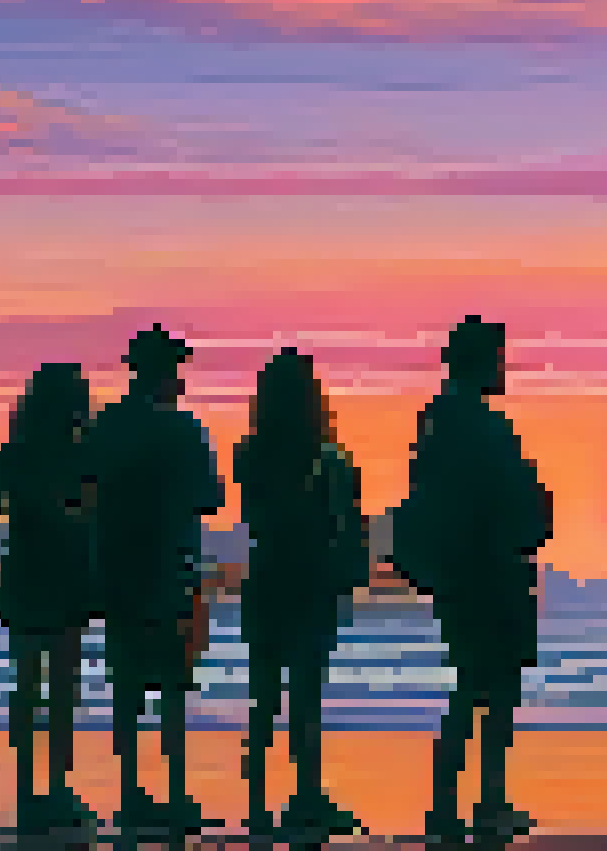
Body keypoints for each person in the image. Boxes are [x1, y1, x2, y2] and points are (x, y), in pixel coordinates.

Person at [390, 317, 553, 844]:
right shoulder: (477, 424)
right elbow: (508, 494)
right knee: (494, 688)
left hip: (463, 569)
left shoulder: (442, 421)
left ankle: (454, 805)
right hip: (488, 568)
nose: (504, 367)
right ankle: (484, 803)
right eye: (498, 357)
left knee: (472, 684)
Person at [88, 326, 225, 836]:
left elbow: (83, 489)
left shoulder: (107, 426)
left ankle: (129, 791)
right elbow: (211, 497)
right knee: (171, 687)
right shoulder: (183, 431)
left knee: (126, 687)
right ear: (168, 373)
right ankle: (173, 792)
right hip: (169, 567)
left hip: (118, 569)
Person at [235, 348, 373, 842]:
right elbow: (348, 524)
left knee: (264, 697)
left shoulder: (249, 456)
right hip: (313, 583)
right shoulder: (330, 459)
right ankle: (306, 797)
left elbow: (255, 517)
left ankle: (255, 804)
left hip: (268, 577)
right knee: (306, 698)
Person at [0, 362, 102, 834]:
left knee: (28, 683)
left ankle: (25, 784)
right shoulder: (81, 454)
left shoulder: (13, 453)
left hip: (25, 571)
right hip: (66, 573)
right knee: (61, 689)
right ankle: (57, 786)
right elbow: (93, 509)